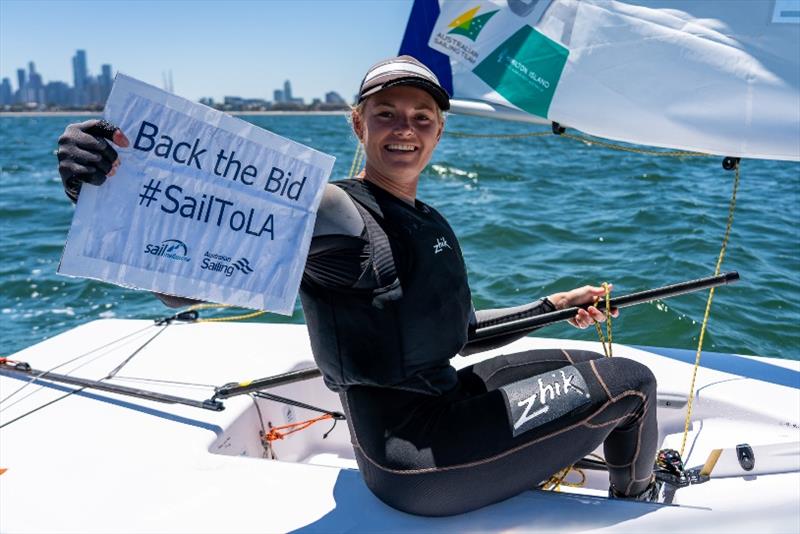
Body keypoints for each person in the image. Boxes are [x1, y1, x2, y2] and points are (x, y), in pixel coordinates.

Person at [57, 55, 661, 516]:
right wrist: (104, 184)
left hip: (442, 395)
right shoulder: (332, 210)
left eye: (422, 118)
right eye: (387, 115)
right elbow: (187, 280)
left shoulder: (425, 218)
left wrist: (551, 306)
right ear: (358, 125)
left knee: (592, 364)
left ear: (439, 133)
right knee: (632, 385)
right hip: (416, 457)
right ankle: (642, 504)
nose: (406, 129)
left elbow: (456, 331)